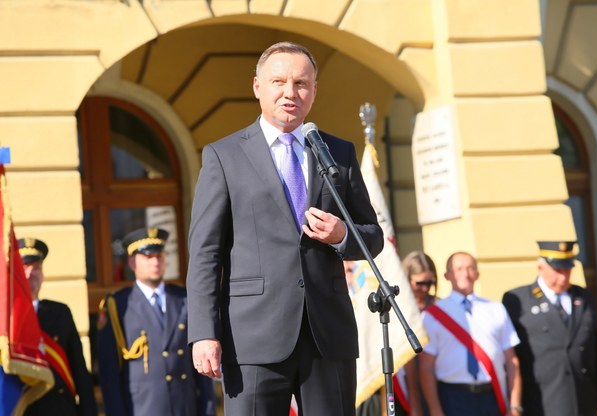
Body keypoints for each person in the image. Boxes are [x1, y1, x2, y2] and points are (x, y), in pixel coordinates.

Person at [186, 41, 384, 416]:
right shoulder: (224, 156)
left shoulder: (338, 153)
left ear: (314, 91)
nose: (290, 93)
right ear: (258, 87)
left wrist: (342, 235)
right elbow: (206, 254)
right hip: (253, 338)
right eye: (278, 81)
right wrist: (204, 333)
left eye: (301, 83)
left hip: (328, 335)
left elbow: (372, 236)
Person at [97, 227, 216, 416]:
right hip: (142, 408)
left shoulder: (184, 299)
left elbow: (201, 368)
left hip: (184, 408)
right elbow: (109, 373)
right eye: (148, 256)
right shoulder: (117, 306)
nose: (155, 262)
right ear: (131, 262)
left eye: (159, 255)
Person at [502, 241, 597, 416]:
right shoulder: (518, 299)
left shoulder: (584, 297)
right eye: (557, 271)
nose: (563, 277)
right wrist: (514, 403)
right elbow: (510, 355)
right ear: (540, 268)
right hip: (542, 401)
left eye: (568, 270)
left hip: (583, 400)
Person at [419, 252, 522, 416]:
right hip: (453, 397)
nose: (465, 274)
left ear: (477, 274)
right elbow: (426, 367)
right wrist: (435, 409)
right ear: (447, 275)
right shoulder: (433, 315)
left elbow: (511, 360)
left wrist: (515, 404)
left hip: (492, 395)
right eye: (458, 269)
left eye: (470, 268)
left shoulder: (496, 309)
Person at [18, 237, 97, 416]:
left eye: (36, 268)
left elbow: (79, 372)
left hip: (59, 409)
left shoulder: (60, 312)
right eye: (24, 267)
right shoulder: (6, 318)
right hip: (21, 409)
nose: (31, 273)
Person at [400, 251, 438, 416]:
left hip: (437, 382)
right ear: (407, 279)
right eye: (420, 282)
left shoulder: (440, 306)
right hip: (405, 383)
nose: (425, 288)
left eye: (429, 282)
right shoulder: (398, 310)